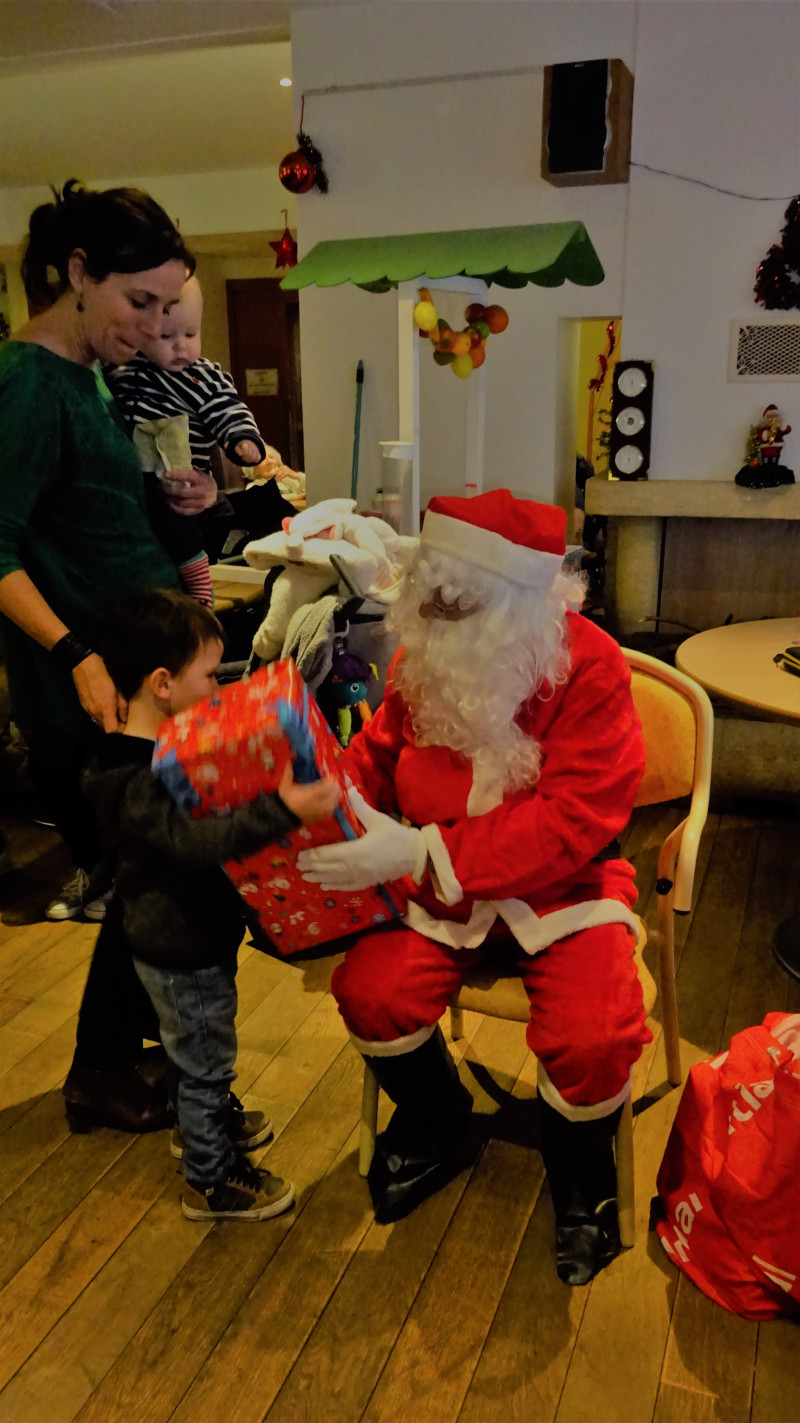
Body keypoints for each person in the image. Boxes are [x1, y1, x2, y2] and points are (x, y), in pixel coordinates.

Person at [299, 488, 650, 1286]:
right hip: (436, 884)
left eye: (459, 601)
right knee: (373, 991)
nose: (434, 610)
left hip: (561, 886)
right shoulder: (421, 649)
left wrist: (415, 855)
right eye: (430, 591)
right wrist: (335, 804)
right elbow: (381, 755)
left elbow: (574, 817)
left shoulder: (588, 667)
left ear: (520, 600)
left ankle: (583, 1182)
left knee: (594, 1033)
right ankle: (436, 1123)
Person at [0, 179, 218, 1129]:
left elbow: (89, 518)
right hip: (90, 693)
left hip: (139, 678)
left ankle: (119, 1058)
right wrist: (80, 652)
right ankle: (96, 1073)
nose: (152, 326)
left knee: (153, 878)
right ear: (79, 275)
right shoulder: (26, 382)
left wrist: (178, 513)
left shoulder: (84, 377)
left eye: (167, 308)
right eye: (140, 304)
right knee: (142, 882)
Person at [83, 589, 339, 1219]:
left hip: (194, 932)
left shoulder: (169, 746)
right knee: (203, 1058)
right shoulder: (132, 776)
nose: (219, 686)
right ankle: (211, 1177)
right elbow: (194, 840)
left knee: (193, 1048)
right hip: (179, 944)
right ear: (163, 683)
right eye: (209, 674)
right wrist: (282, 811)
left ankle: (203, 1124)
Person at [104, 275, 287, 605]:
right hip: (138, 479)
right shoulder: (122, 370)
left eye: (191, 334)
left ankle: (199, 579)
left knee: (178, 522)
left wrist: (243, 441)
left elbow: (227, 408)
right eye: (166, 335)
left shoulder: (202, 375)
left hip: (179, 477)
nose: (181, 346)